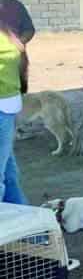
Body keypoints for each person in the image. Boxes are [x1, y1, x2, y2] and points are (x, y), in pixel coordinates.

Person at [0, 22, 29, 204]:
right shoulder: (7, 34)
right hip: (9, 104)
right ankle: (22, 211)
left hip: (4, 105)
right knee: (8, 169)